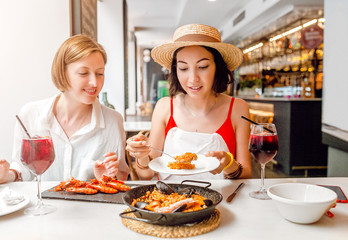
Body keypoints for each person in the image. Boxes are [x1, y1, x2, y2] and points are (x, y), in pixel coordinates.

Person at [126, 24, 252, 180]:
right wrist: (141, 155)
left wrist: (228, 164)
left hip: (222, 201)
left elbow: (246, 172)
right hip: (169, 200)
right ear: (175, 70)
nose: (193, 79)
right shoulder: (165, 107)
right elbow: (146, 175)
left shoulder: (237, 108)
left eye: (202, 66)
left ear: (217, 67)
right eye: (183, 68)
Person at [0, 35, 130, 183]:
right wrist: (7, 176)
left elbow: (121, 175)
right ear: (63, 72)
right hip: (42, 205)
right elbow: (23, 169)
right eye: (83, 73)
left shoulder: (113, 121)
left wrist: (108, 177)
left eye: (100, 73)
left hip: (89, 206)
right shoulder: (30, 115)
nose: (94, 82)